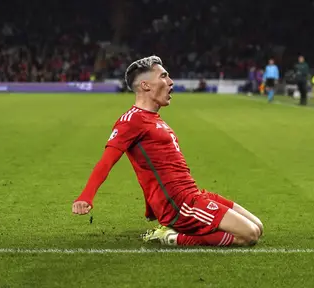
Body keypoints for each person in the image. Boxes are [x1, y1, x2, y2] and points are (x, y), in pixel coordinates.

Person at [72, 56, 263, 247]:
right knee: (249, 235)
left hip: (193, 195)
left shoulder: (155, 119)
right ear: (146, 86)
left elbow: (151, 168)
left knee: (258, 227)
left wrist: (150, 206)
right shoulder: (131, 121)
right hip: (179, 204)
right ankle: (172, 237)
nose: (170, 82)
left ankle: (183, 229)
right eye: (164, 76)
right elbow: (106, 162)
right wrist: (85, 196)